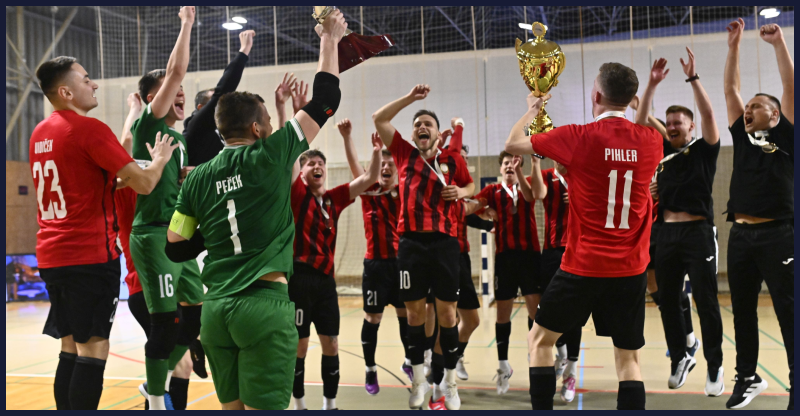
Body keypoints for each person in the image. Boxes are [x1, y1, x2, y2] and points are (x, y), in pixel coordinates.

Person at [165, 10, 349, 411]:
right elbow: (326, 102)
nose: (270, 125)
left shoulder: (195, 179)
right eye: (267, 119)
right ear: (257, 129)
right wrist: (329, 40)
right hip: (264, 307)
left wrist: (211, 232)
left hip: (215, 313)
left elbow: (175, 247)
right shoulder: (271, 154)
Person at [506, 61, 662, 410]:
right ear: (631, 99)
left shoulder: (578, 136)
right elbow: (626, 150)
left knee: (540, 342)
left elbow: (513, 143)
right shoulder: (653, 141)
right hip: (630, 269)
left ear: (595, 94)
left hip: (583, 266)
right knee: (628, 360)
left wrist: (532, 110)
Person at [30, 55, 176, 410]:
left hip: (51, 255)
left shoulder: (40, 133)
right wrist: (159, 161)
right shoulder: (88, 130)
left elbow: (87, 182)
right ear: (66, 91)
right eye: (86, 79)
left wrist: (120, 177)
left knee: (69, 347)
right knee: (93, 349)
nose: (94, 84)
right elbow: (143, 184)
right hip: (89, 257)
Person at [373, 85, 475, 410]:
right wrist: (410, 101)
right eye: (417, 124)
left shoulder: (451, 159)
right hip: (411, 244)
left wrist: (460, 193)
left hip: (446, 244)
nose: (421, 127)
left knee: (447, 314)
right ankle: (418, 381)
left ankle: (449, 384)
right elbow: (379, 118)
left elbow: (471, 185)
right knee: (415, 316)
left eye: (427, 123)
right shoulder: (404, 153)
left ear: (437, 133)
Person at [637, 48, 725, 395]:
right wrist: (652, 84)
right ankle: (681, 356)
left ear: (690, 127)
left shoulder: (705, 149)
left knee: (706, 301)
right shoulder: (664, 159)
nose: (672, 126)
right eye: (669, 122)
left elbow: (708, 111)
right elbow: (642, 119)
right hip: (667, 235)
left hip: (698, 233)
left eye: (678, 123)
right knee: (667, 300)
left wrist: (692, 78)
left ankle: (715, 367)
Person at [129, 6, 203, 410]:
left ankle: (152, 381)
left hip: (178, 235)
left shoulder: (178, 140)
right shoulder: (148, 126)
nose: (179, 93)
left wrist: (188, 174)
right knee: (166, 323)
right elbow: (176, 71)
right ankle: (156, 397)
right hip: (153, 234)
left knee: (195, 319)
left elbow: (171, 180)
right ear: (149, 100)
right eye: (169, 90)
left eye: (180, 92)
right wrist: (187, 24)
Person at [723, 19, 794, 410]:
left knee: (788, 312)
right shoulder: (742, 135)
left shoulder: (788, 137)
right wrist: (733, 45)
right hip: (741, 236)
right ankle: (747, 376)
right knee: (742, 312)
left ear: (776, 114)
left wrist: (779, 44)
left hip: (779, 235)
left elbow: (789, 87)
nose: (747, 110)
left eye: (756, 106)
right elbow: (731, 88)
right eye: (747, 107)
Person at [289, 140, 381, 411]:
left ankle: (330, 405)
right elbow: (291, 159)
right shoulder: (297, 194)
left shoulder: (334, 198)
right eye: (310, 164)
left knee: (331, 344)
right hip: (300, 279)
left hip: (327, 283)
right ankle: (299, 405)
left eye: (320, 164)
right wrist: (290, 111)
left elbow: (370, 178)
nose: (317, 167)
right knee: (300, 346)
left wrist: (375, 152)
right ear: (302, 173)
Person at [338, 119, 413, 395]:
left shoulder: (404, 192)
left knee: (407, 315)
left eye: (390, 164)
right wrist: (347, 137)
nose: (384, 167)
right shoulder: (369, 192)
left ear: (397, 170)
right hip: (375, 266)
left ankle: (408, 360)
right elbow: (357, 169)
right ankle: (370, 369)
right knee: (372, 319)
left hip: (402, 265)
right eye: (381, 164)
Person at [468, 151, 546, 395]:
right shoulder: (491, 191)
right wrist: (484, 215)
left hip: (530, 256)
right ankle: (503, 366)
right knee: (503, 313)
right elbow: (470, 209)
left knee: (535, 309)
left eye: (514, 163)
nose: (510, 166)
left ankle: (535, 360)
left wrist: (522, 171)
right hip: (504, 258)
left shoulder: (527, 183)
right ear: (500, 168)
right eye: (506, 163)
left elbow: (532, 195)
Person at [630, 97, 697, 361]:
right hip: (646, 224)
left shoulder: (669, 149)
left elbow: (656, 127)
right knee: (654, 285)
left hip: (667, 225)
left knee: (668, 285)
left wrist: (641, 108)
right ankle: (686, 336)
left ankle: (688, 338)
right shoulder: (638, 153)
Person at [538, 159, 583, 403]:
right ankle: (563, 354)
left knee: (575, 314)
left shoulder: (582, 174)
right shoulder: (546, 175)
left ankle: (571, 374)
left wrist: (579, 197)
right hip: (552, 250)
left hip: (578, 250)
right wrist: (533, 163)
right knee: (552, 309)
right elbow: (535, 193)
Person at [183, 30, 254, 166]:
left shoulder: (224, 131)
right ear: (201, 108)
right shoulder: (197, 127)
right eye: (216, 103)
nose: (223, 106)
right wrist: (244, 51)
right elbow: (223, 91)